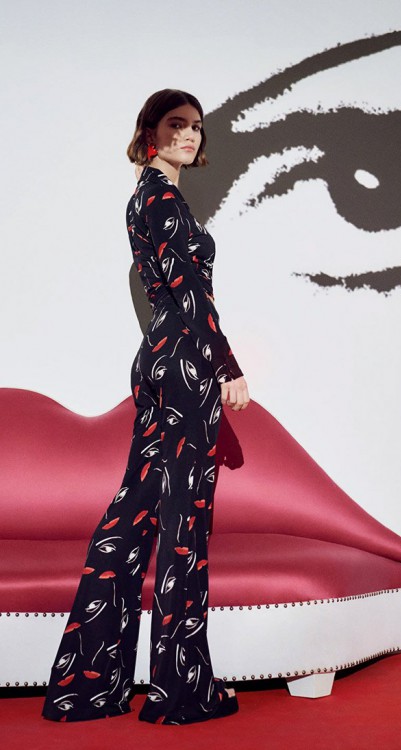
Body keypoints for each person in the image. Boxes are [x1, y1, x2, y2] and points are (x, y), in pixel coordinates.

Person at [41, 88, 250, 725]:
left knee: (133, 514)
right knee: (183, 523)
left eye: (196, 127)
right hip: (184, 358)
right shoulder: (162, 199)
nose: (189, 135)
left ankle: (85, 688)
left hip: (158, 356)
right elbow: (189, 292)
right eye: (176, 124)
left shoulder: (144, 198)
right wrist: (227, 366)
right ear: (150, 132)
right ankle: (180, 692)